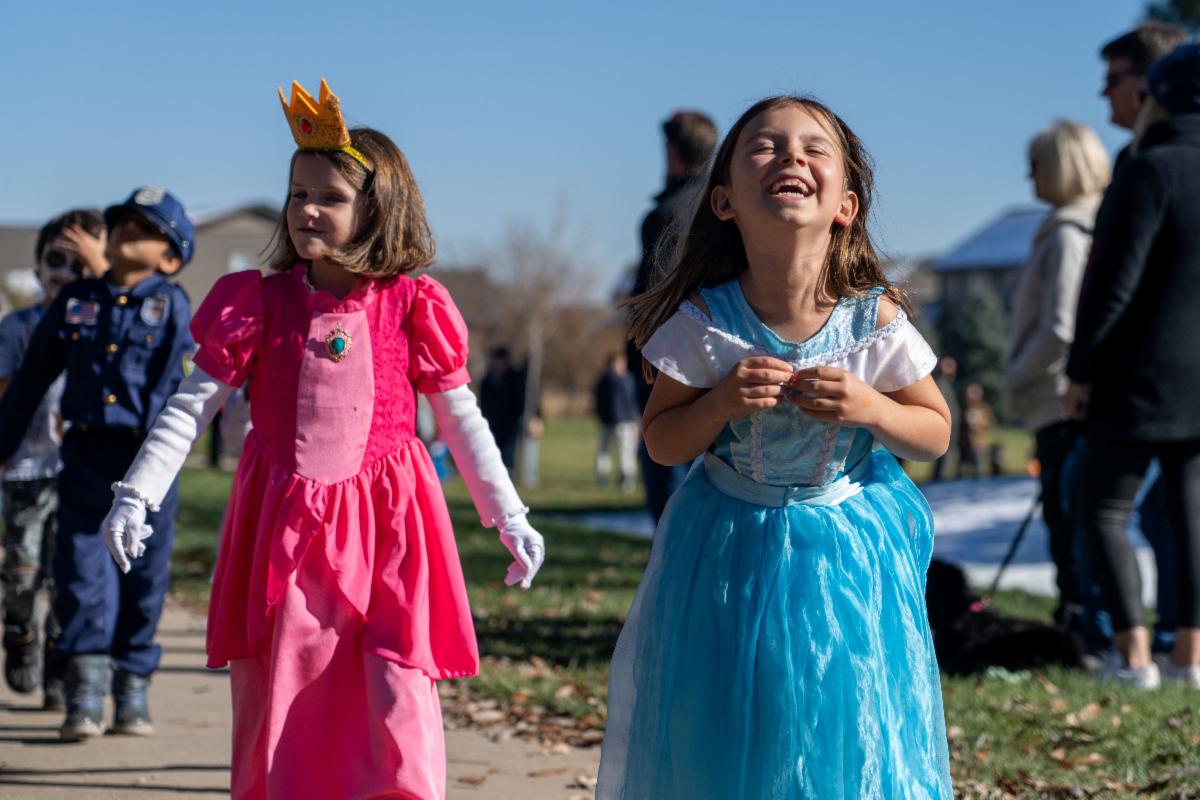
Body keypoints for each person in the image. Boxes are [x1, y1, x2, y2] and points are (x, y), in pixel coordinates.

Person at [99, 79, 545, 798]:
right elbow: (189, 409)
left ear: (377, 209)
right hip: (288, 532)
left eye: (330, 197)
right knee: (288, 685)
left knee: (397, 687)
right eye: (297, 193)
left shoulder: (413, 305)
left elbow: (461, 417)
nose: (307, 209)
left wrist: (508, 513)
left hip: (391, 529)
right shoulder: (258, 303)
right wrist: (136, 495)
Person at [598, 96, 952, 797]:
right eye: (765, 145)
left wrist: (871, 406)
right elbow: (663, 441)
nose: (791, 155)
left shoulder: (872, 317)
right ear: (724, 200)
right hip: (729, 544)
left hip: (850, 553)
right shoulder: (705, 323)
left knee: (841, 710)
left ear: (845, 204)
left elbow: (935, 431)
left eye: (813, 147)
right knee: (737, 708)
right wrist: (721, 403)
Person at [0, 187, 195, 741]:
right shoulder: (76, 300)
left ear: (171, 257)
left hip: (150, 461)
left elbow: (181, 388)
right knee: (80, 573)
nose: (127, 230)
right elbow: (32, 378)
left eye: (145, 227)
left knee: (144, 577)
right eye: (122, 222)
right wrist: (4, 441)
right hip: (86, 456)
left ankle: (132, 684)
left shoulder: (173, 305)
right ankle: (84, 693)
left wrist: (162, 460)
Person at [1066, 43, 1200, 690]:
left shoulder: (1151, 168)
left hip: (1137, 374)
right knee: (1191, 512)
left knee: (1100, 507)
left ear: (1160, 97)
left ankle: (1135, 658)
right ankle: (1190, 661)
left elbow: (1110, 285)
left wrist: (1081, 369)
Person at [1005, 120, 1110, 627]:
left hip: (1058, 396)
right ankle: (1084, 614)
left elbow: (1060, 327)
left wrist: (1016, 377)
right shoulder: (1074, 228)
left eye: (1037, 166)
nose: (1030, 177)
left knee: (1068, 516)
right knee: (1072, 514)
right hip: (1060, 395)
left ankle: (1084, 619)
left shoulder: (1068, 235)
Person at [0, 209, 101, 707]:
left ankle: (61, 665)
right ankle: (19, 632)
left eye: (77, 264)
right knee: (22, 569)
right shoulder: (19, 326)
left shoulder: (97, 322)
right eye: (54, 261)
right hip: (24, 467)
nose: (64, 273)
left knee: (68, 575)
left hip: (77, 469)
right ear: (38, 267)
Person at [627, 110, 718, 522]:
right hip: (720, 351)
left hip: (670, 355)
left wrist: (643, 351)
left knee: (664, 459)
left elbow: (654, 291)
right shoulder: (723, 208)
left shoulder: (666, 215)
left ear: (672, 150)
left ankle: (670, 556)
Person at [593, 353, 639, 492]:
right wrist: (635, 419)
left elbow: (598, 401)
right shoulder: (625, 380)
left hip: (607, 421)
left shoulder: (602, 380)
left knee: (604, 452)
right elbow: (630, 402)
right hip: (624, 422)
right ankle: (627, 481)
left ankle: (602, 480)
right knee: (625, 452)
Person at [479, 346, 525, 473]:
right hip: (492, 424)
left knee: (508, 454)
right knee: (493, 454)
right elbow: (484, 404)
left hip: (510, 425)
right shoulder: (487, 381)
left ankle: (509, 479)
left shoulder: (514, 379)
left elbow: (519, 400)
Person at [931, 355, 960, 480]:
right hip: (943, 427)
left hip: (950, 427)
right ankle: (938, 478)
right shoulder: (940, 385)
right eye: (947, 366)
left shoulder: (949, 385)